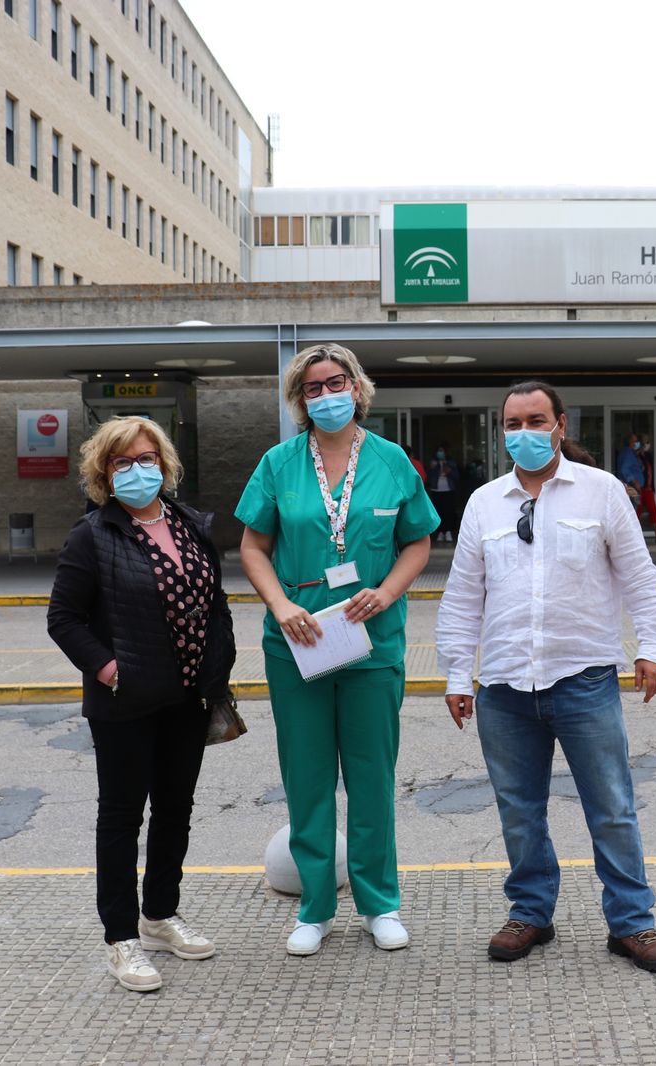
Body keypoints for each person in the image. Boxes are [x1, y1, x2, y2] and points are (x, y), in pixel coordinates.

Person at [437, 381, 656, 974]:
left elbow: (640, 577)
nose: (524, 432)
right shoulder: (484, 504)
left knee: (612, 807)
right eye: (512, 423)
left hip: (584, 679)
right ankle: (530, 913)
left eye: (535, 420)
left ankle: (631, 924)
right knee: (519, 810)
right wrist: (456, 675)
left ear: (561, 424)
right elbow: (464, 595)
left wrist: (652, 646)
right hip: (504, 687)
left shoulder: (601, 492)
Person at [236, 343, 438, 958]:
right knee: (308, 777)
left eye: (336, 382)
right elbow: (251, 547)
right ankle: (316, 906)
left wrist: (386, 592)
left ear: (358, 387)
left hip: (370, 641)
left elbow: (418, 543)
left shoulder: (391, 460)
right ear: (300, 399)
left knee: (372, 777)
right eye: (313, 387)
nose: (326, 395)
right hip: (299, 642)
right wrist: (281, 606)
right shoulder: (278, 462)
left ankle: (380, 904)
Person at [46, 415, 237, 994]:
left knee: (175, 810)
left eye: (147, 458)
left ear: (165, 464)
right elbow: (64, 619)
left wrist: (219, 663)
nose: (137, 470)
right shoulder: (92, 535)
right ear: (104, 471)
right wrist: (111, 671)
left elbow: (216, 602)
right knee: (122, 817)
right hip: (124, 703)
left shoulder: (188, 524)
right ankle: (121, 938)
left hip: (188, 697)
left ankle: (159, 917)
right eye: (123, 462)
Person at [426, 443, 461, 543]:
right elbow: (429, 476)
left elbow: (456, 477)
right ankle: (440, 532)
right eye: (439, 451)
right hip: (436, 490)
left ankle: (448, 531)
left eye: (442, 451)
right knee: (438, 511)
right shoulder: (434, 463)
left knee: (448, 511)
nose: (440, 453)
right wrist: (434, 467)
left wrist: (449, 470)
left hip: (449, 490)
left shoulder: (451, 462)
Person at [636, 433, 656, 545]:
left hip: (648, 489)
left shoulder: (649, 456)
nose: (646, 445)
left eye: (647, 442)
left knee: (653, 511)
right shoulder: (635, 456)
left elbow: (650, 471)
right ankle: (634, 538)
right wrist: (639, 452)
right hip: (638, 488)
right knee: (637, 513)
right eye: (644, 442)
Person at [616, 432, 646, 512]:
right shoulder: (627, 453)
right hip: (631, 487)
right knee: (632, 511)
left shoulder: (630, 453)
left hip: (631, 487)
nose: (637, 443)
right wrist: (635, 482)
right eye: (634, 441)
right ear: (629, 442)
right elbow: (624, 469)